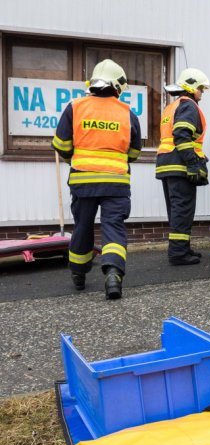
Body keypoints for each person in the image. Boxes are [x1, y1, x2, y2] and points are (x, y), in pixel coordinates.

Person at [52, 59, 142, 300]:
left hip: (83, 180)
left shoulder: (75, 107)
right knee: (113, 226)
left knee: (83, 226)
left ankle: (78, 276)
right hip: (116, 182)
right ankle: (113, 274)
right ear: (118, 86)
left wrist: (78, 156)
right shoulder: (127, 113)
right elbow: (134, 152)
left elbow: (61, 145)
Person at [155, 68, 210, 266]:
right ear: (192, 87)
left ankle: (182, 248)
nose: (202, 94)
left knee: (177, 210)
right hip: (179, 165)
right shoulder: (188, 106)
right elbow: (182, 135)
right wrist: (194, 162)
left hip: (167, 164)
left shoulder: (173, 106)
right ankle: (178, 253)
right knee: (183, 210)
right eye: (201, 90)